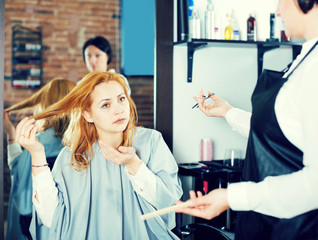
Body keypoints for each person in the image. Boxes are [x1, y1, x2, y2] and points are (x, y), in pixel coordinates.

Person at [176, 0, 318, 239]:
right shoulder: (306, 57)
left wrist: (232, 197)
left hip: (298, 229)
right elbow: (281, 130)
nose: (277, 11)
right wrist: (228, 112)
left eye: (282, 1)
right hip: (269, 223)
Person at [16, 71, 182, 239]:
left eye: (121, 99)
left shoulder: (151, 141)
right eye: (105, 105)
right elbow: (51, 218)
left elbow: (167, 202)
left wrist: (134, 165)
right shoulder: (72, 157)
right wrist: (37, 155)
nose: (118, 110)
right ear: (88, 114)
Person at [4, 78, 76, 240]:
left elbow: (21, 196)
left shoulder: (37, 143)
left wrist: (11, 133)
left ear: (45, 105)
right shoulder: (84, 145)